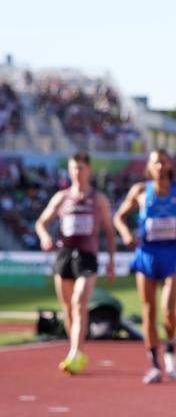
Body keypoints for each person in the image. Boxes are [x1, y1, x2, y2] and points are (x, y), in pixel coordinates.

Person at [114, 149, 176, 384]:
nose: (159, 165)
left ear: (169, 166)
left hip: (171, 253)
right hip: (146, 253)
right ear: (148, 166)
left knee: (168, 310)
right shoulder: (139, 191)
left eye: (163, 161)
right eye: (155, 162)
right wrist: (126, 233)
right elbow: (118, 217)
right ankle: (154, 365)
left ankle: (171, 350)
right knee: (148, 311)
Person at [35, 151, 116, 374]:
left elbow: (109, 232)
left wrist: (111, 261)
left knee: (80, 301)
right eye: (72, 168)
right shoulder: (62, 198)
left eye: (80, 168)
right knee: (69, 308)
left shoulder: (98, 199)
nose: (76, 172)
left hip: (87, 256)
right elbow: (41, 222)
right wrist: (44, 237)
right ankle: (75, 348)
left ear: (88, 169)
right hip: (64, 256)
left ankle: (75, 353)